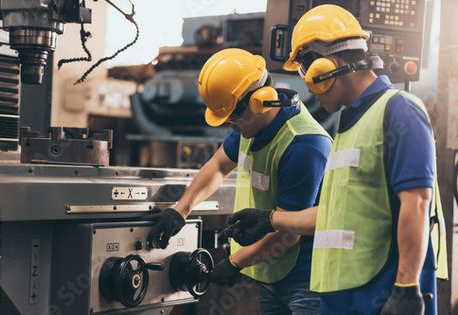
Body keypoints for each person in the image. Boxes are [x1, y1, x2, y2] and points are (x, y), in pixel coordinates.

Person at [222, 5, 448, 315]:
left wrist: (406, 288)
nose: (307, 82)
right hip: (340, 299)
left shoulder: (399, 111)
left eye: (305, 69)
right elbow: (337, 215)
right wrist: (269, 219)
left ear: (327, 66)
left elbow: (417, 203)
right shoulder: (351, 123)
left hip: (381, 298)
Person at [145, 48, 332, 314]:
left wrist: (234, 262)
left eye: (232, 117)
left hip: (308, 279)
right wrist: (180, 210)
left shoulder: (303, 145)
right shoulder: (249, 125)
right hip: (272, 272)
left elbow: (289, 232)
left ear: (259, 102)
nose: (229, 125)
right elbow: (218, 166)